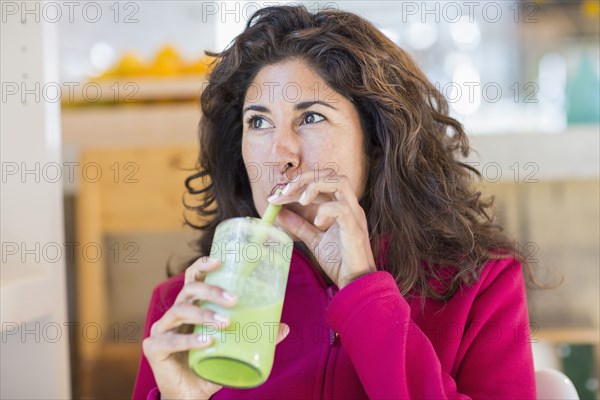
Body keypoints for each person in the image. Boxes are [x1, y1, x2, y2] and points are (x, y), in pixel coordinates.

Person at [133, 5, 537, 399]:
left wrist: (364, 293)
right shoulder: (187, 310)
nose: (280, 153)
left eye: (310, 117)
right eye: (258, 122)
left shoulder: (482, 286)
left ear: (377, 142)